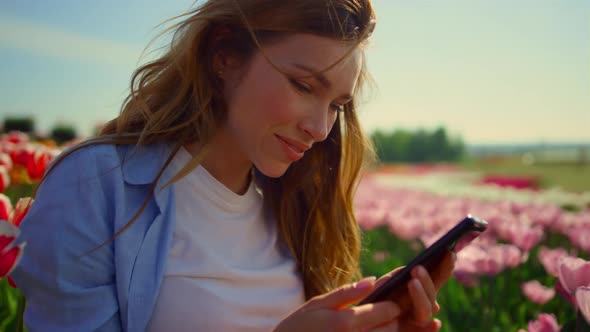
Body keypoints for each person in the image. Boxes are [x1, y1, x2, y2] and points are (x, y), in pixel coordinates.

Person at [12, 0, 455, 331]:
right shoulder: (96, 185)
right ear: (224, 56)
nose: (322, 129)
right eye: (303, 85)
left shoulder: (297, 205)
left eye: (337, 105)